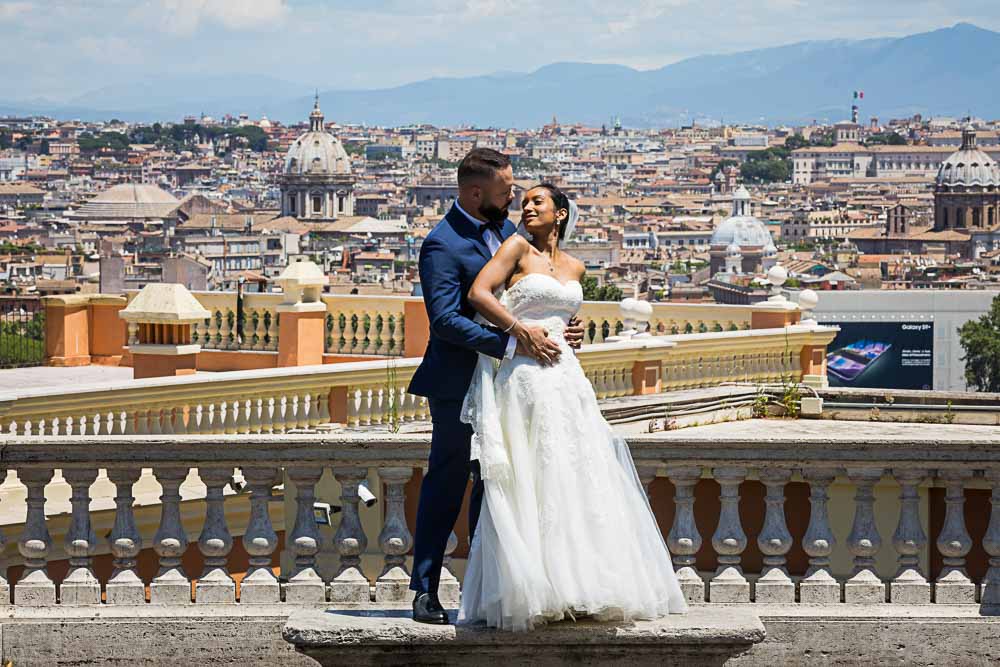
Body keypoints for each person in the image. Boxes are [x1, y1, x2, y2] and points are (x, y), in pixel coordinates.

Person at [457, 183, 688, 631]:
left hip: (567, 375)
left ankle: (577, 583)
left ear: (561, 213)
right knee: (533, 471)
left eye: (537, 201)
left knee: (576, 469)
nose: (526, 207)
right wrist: (520, 332)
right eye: (523, 202)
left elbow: (562, 315)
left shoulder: (576, 265)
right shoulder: (516, 246)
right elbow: (479, 294)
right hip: (525, 374)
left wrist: (568, 329)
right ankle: (533, 586)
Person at [407, 149, 585, 624]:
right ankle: (424, 588)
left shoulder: (510, 234)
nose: (515, 198)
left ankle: (492, 589)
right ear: (474, 192)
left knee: (502, 480)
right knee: (447, 479)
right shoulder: (441, 244)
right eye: (507, 190)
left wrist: (563, 327)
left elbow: (533, 296)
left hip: (510, 384)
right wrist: (513, 342)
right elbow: (445, 320)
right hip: (459, 380)